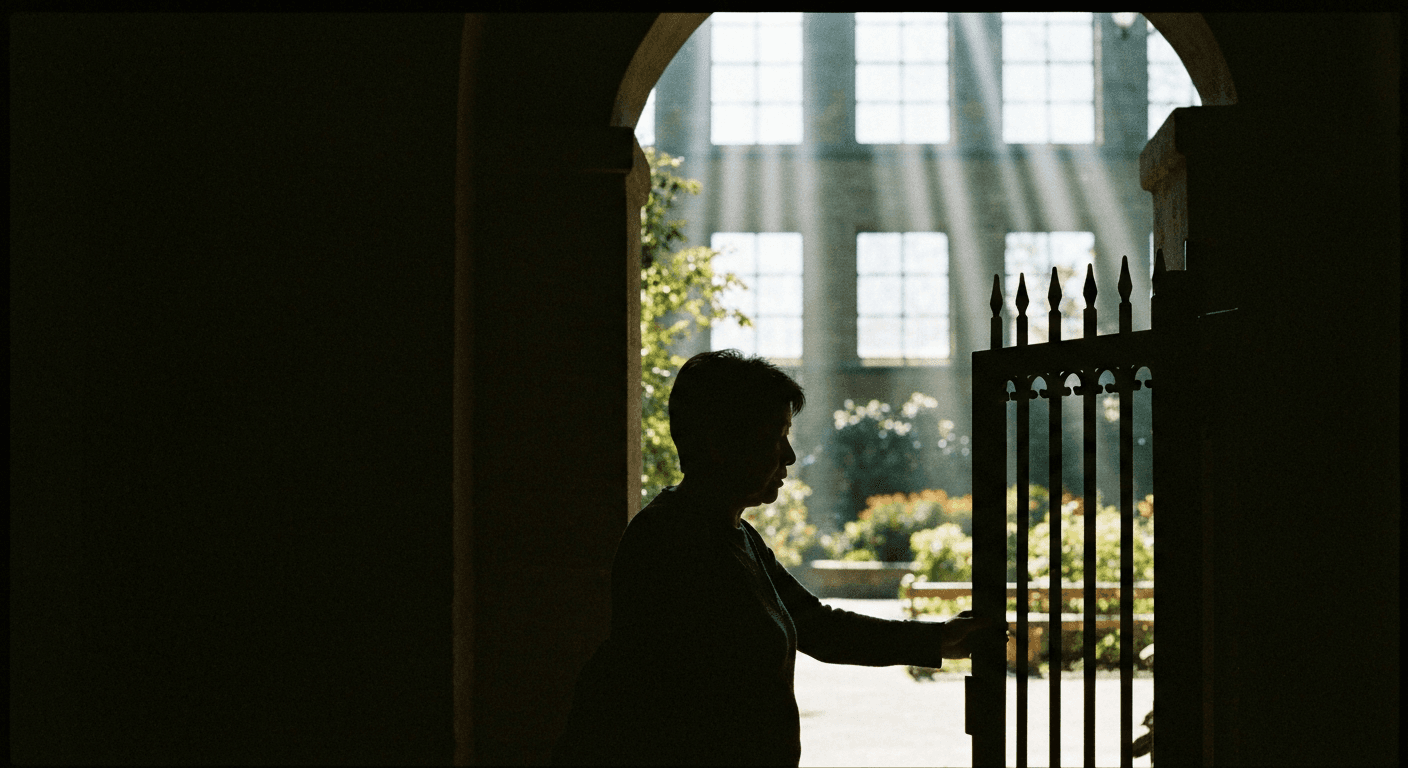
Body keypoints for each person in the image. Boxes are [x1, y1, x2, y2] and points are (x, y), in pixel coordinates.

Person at [553, 349, 1003, 766]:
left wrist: (937, 639)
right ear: (719, 442)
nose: (788, 456)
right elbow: (673, 709)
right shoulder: (668, 541)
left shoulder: (736, 535)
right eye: (776, 436)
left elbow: (816, 625)